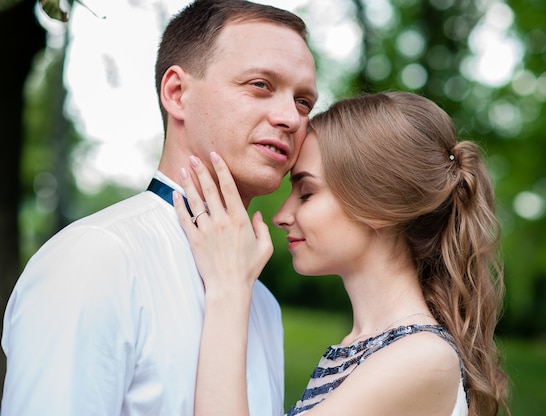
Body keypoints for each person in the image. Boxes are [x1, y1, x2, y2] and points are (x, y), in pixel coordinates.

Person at [1, 1, 317, 415]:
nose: (290, 118)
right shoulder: (95, 260)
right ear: (177, 93)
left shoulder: (263, 305)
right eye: (260, 84)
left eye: (304, 102)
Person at [175, 92, 510, 416]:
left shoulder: (422, 357)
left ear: (380, 206)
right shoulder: (374, 347)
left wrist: (230, 288)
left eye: (306, 193)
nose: (281, 215)